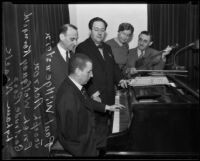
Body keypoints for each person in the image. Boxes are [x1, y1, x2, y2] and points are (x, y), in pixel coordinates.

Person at [76, 17, 128, 154]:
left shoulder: (107, 47)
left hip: (109, 95)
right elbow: (81, 73)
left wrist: (121, 79)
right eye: (96, 29)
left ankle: (104, 151)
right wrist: (92, 91)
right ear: (90, 30)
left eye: (102, 30)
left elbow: (113, 67)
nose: (99, 33)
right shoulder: (82, 47)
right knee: (96, 132)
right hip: (95, 96)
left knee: (105, 130)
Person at [55, 53, 125, 156]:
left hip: (85, 130)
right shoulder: (67, 96)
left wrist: (107, 107)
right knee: (114, 142)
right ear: (78, 71)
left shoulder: (75, 84)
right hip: (78, 144)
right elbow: (71, 134)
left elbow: (86, 101)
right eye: (89, 72)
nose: (92, 75)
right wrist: (93, 139)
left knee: (112, 136)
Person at [38, 24, 78, 141]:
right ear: (62, 36)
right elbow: (45, 93)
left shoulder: (73, 56)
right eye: (72, 39)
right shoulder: (46, 58)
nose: (75, 43)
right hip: (57, 116)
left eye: (76, 39)